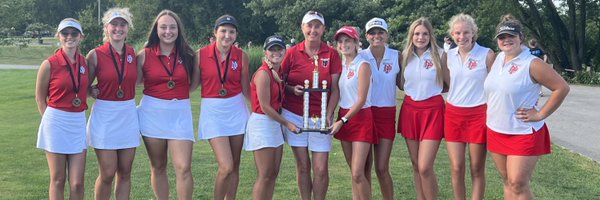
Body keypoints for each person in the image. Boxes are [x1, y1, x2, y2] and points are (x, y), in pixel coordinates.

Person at [484, 15, 569, 200]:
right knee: (507, 180)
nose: (506, 40)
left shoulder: (532, 63)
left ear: (520, 37)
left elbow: (561, 87)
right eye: (502, 37)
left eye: (511, 36)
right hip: (496, 128)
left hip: (523, 131)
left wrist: (540, 114)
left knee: (518, 183)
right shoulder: (498, 59)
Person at [280, 10, 342, 200]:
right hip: (294, 115)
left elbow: (335, 88)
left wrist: (329, 113)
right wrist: (291, 90)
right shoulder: (291, 53)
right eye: (309, 25)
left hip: (319, 116)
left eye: (317, 26)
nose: (313, 30)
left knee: (321, 168)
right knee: (303, 165)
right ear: (302, 27)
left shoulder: (331, 54)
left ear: (323, 29)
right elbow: (280, 82)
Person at [136, 10, 198, 200]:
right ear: (156, 30)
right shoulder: (144, 55)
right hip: (152, 113)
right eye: (163, 27)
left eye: (172, 27)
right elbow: (133, 81)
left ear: (178, 29)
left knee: (184, 167)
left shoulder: (188, 54)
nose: (168, 31)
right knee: (158, 166)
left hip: (180, 112)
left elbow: (194, 84)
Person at [85, 8, 139, 200]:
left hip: (127, 113)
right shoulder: (95, 54)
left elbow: (138, 79)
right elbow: (83, 86)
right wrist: (90, 90)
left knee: (125, 172)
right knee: (107, 173)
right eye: (114, 24)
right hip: (105, 116)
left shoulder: (133, 53)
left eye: (122, 24)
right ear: (106, 28)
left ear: (128, 28)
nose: (118, 28)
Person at [197, 14, 250, 200]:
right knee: (226, 166)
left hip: (236, 109)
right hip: (213, 111)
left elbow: (246, 89)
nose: (227, 35)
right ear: (215, 32)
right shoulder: (201, 54)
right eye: (223, 31)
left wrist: (263, 110)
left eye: (231, 32)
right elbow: (191, 85)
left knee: (235, 165)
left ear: (236, 34)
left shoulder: (242, 56)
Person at [35, 18, 89, 200]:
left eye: (74, 33)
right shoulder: (49, 64)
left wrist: (92, 91)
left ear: (81, 36)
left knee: (77, 182)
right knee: (58, 179)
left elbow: (80, 89)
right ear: (58, 36)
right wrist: (49, 121)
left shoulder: (85, 63)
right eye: (65, 33)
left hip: (78, 121)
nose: (69, 37)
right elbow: (40, 98)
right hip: (56, 121)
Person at [444, 13, 496, 200]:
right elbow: (446, 83)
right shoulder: (448, 56)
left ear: (474, 33)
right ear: (452, 34)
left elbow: (497, 85)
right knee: (457, 167)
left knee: (476, 168)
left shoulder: (487, 54)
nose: (462, 37)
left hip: (478, 114)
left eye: (466, 32)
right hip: (453, 114)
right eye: (457, 33)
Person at [245, 35, 300, 200]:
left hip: (274, 124)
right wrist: (287, 123)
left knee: (273, 173)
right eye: (272, 49)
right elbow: (265, 107)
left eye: (279, 49)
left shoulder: (277, 72)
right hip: (263, 123)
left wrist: (290, 89)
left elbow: (279, 89)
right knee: (265, 174)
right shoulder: (263, 74)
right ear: (265, 52)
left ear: (285, 51)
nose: (276, 52)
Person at [398, 17, 446, 200]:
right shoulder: (404, 56)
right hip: (411, 110)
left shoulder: (440, 54)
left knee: (425, 166)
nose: (421, 37)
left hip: (433, 110)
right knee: (416, 164)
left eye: (425, 33)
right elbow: (402, 84)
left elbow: (448, 83)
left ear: (430, 35)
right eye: (417, 33)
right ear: (411, 35)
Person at [358, 17, 401, 200]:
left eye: (380, 32)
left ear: (386, 34)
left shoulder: (397, 55)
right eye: (373, 33)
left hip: (386, 113)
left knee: (382, 168)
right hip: (365, 113)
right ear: (367, 36)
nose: (377, 36)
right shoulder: (360, 55)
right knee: (365, 166)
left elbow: (404, 83)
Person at [330, 26, 374, 200]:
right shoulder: (341, 66)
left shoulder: (363, 65)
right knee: (354, 172)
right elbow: (337, 92)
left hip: (360, 117)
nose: (343, 44)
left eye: (348, 40)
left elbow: (361, 99)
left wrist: (342, 121)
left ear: (356, 43)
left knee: (358, 173)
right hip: (345, 116)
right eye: (340, 41)